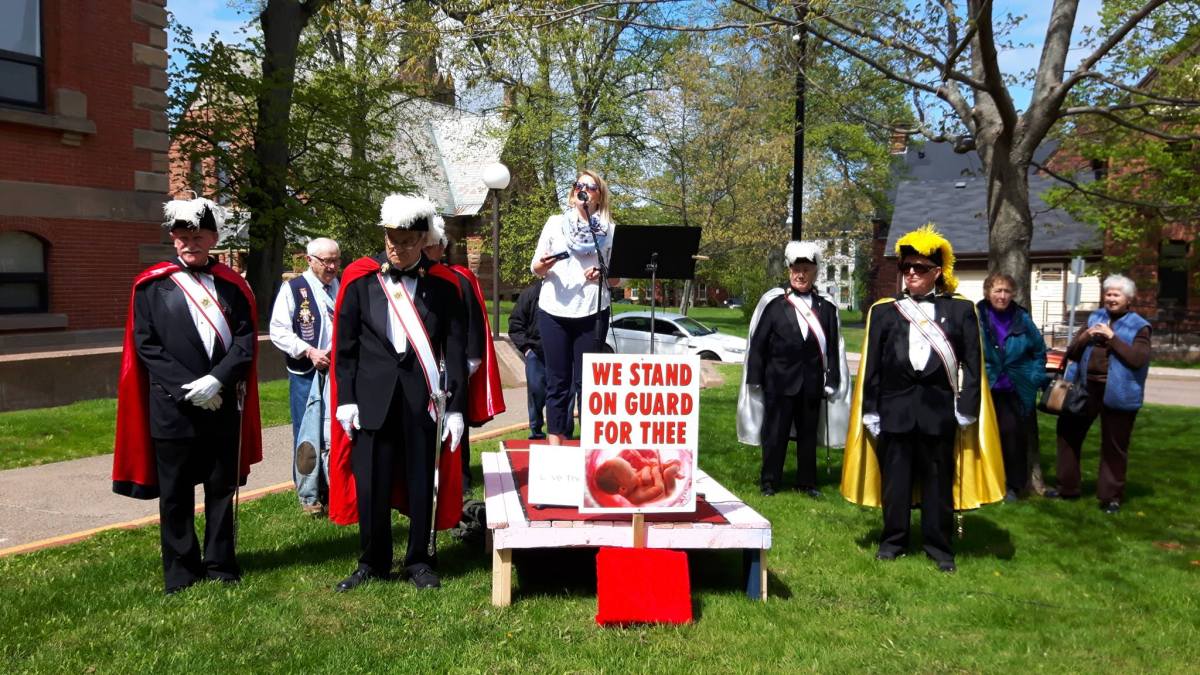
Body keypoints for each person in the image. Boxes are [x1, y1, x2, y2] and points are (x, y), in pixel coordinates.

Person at [112, 196, 262, 595]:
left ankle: (219, 562)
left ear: (213, 238)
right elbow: (146, 346)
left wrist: (218, 381)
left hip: (222, 404)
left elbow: (246, 342)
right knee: (176, 493)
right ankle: (180, 569)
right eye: (181, 236)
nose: (188, 243)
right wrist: (189, 389)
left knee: (220, 489)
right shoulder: (152, 285)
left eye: (197, 235)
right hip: (173, 406)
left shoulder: (234, 286)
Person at [840, 225, 1004, 573]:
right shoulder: (885, 311)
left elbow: (973, 366)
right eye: (906, 268)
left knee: (938, 485)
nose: (911, 274)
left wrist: (967, 409)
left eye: (919, 268)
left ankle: (939, 547)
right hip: (894, 411)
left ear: (937, 273)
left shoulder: (960, 312)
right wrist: (870, 410)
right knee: (895, 484)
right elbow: (872, 366)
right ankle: (893, 541)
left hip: (938, 412)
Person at [326, 193, 467, 592]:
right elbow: (346, 347)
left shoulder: (443, 285)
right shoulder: (360, 278)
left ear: (424, 239)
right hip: (371, 398)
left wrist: (455, 407)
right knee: (371, 484)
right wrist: (346, 400)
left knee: (422, 482)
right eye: (390, 240)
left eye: (405, 242)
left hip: (422, 399)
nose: (396, 249)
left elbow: (453, 351)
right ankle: (372, 561)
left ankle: (420, 560)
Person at [738, 241, 843, 498]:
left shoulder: (827, 309)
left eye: (806, 269)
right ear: (789, 271)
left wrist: (833, 379)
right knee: (775, 434)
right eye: (796, 268)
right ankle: (769, 481)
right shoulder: (775, 305)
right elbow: (758, 344)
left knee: (808, 436)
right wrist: (754, 377)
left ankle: (807, 482)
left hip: (811, 383)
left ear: (815, 273)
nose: (800, 274)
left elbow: (833, 348)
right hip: (778, 382)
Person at [1049, 274, 1151, 514]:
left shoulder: (1139, 325)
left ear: (1128, 299)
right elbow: (1072, 352)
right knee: (1068, 434)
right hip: (1086, 389)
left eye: (1117, 294)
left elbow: (1138, 359)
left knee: (1114, 446)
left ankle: (1110, 497)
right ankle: (1068, 488)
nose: (1111, 299)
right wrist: (1086, 336)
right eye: (1108, 294)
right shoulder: (1095, 318)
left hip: (1118, 393)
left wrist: (1112, 338)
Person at [529, 170, 618, 444]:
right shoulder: (555, 223)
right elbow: (535, 268)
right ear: (573, 191)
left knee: (588, 384)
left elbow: (617, 277)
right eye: (579, 185)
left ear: (599, 195)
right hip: (554, 310)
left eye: (590, 187)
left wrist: (602, 273)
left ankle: (589, 449)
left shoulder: (609, 229)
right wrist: (545, 265)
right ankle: (556, 447)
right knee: (557, 382)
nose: (584, 191)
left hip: (592, 311)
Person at [424, 231, 505, 493]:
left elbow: (472, 320)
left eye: (431, 246)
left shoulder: (459, 277)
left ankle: (460, 480)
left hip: (453, 365)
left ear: (442, 248)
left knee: (455, 421)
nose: (426, 251)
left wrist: (471, 360)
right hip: (423, 363)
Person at [269, 237, 340, 516]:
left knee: (336, 431)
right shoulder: (294, 289)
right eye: (326, 261)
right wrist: (308, 351)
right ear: (309, 260)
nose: (332, 266)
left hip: (337, 371)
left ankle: (336, 488)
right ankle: (309, 494)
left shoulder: (343, 286)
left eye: (336, 260)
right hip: (306, 372)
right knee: (307, 433)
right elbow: (279, 330)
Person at [977, 272, 1048, 502]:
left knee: (1012, 439)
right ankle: (985, 484)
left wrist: (1035, 376)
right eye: (997, 290)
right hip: (985, 387)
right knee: (984, 438)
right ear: (988, 293)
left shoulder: (1022, 318)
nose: (1003, 295)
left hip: (1014, 389)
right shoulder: (977, 317)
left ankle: (1013, 486)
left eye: (1007, 291)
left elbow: (1039, 350)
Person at [508, 279, 548, 440]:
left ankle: (563, 434)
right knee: (536, 395)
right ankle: (536, 432)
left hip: (563, 356)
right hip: (536, 355)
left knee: (564, 396)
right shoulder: (530, 294)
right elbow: (515, 324)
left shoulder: (569, 295)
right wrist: (527, 350)